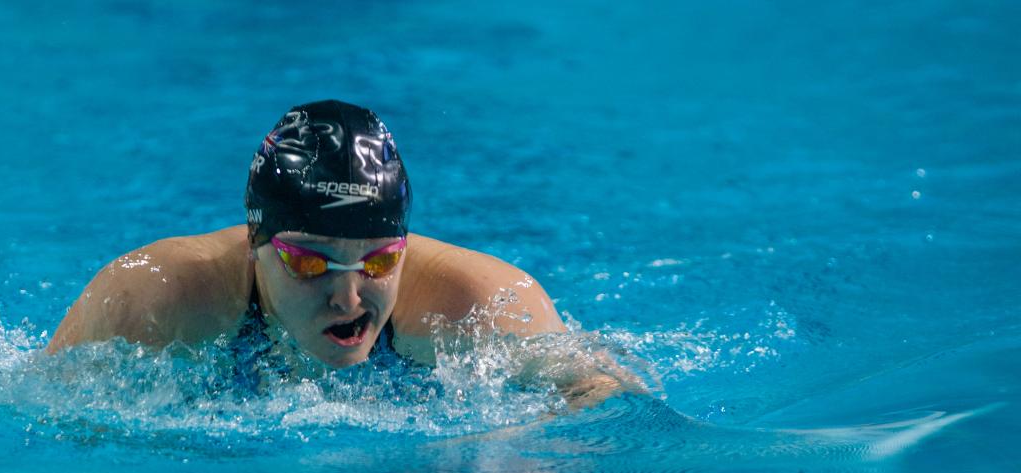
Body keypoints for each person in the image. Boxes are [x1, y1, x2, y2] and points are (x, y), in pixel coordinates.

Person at [47, 99, 644, 402]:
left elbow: (605, 397)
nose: (349, 296)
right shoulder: (155, 297)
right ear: (256, 244)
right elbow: (36, 417)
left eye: (380, 260)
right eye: (310, 262)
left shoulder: (478, 304)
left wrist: (513, 460)